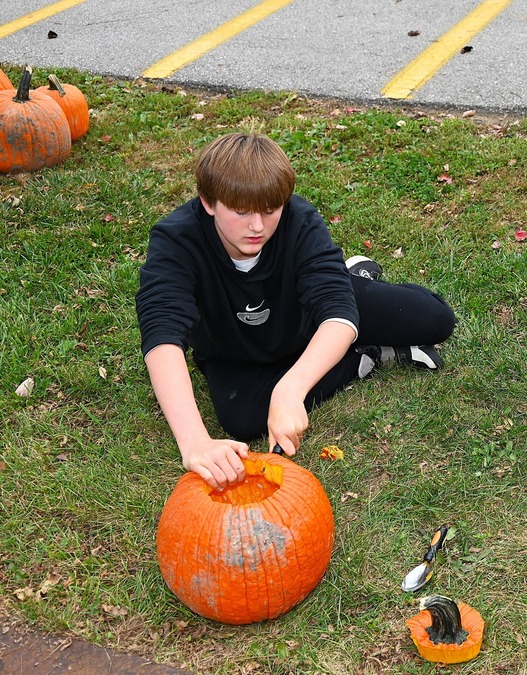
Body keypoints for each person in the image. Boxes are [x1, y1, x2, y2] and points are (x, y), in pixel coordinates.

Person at [136, 133, 456, 490]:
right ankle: (366, 357)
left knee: (434, 319)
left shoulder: (299, 219)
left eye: (270, 210)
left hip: (308, 318)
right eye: (241, 212)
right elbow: (162, 331)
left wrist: (290, 389)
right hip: (233, 350)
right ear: (209, 202)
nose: (257, 226)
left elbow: (337, 311)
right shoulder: (176, 239)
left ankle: (353, 277)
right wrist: (194, 441)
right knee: (241, 417)